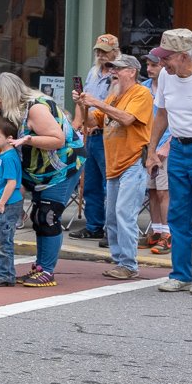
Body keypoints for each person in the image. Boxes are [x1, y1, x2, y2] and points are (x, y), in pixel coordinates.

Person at [146, 28, 192, 295]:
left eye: (166, 59)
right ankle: (180, 274)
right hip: (178, 148)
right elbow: (162, 114)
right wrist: (152, 149)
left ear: (181, 55)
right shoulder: (168, 77)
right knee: (178, 215)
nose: (161, 64)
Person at [0, 72, 83, 288]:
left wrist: (28, 139)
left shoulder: (36, 107)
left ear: (4, 95)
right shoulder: (17, 111)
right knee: (39, 216)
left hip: (62, 167)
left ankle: (47, 270)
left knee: (48, 215)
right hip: (39, 170)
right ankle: (39, 267)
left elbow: (57, 140)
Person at [73, 53, 152, 279]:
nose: (113, 72)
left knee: (124, 214)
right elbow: (92, 121)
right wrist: (82, 104)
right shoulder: (113, 96)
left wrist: (96, 102)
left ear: (132, 72)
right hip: (114, 163)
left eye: (118, 68)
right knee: (112, 217)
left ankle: (129, 264)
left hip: (133, 161)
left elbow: (127, 119)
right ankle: (120, 261)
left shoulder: (141, 94)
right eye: (111, 68)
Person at [71, 34, 120, 240]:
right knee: (90, 183)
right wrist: (78, 120)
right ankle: (94, 225)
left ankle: (112, 230)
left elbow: (115, 106)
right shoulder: (93, 72)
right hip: (90, 133)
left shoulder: (119, 74)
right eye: (98, 51)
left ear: (115, 52)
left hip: (108, 133)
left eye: (104, 52)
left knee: (111, 184)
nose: (100, 55)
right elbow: (84, 102)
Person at [140, 53, 172, 254]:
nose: (149, 69)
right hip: (148, 145)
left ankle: (168, 234)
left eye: (154, 65)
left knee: (163, 191)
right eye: (148, 65)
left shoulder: (171, 86)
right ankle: (156, 231)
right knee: (151, 189)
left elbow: (175, 119)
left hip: (166, 145)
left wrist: (167, 145)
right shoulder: (143, 88)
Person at [0, 116, 24, 287]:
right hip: (4, 202)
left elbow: (12, 182)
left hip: (8, 203)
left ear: (9, 138)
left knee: (3, 239)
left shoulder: (9, 156)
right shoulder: (3, 154)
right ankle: (0, 272)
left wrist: (2, 202)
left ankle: (6, 274)